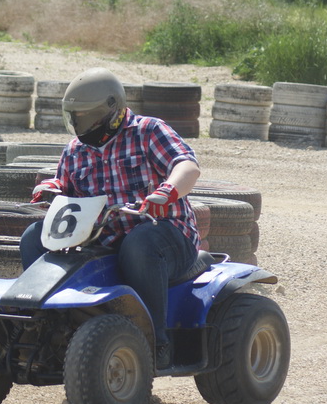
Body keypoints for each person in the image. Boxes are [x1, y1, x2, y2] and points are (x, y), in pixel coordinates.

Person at [19, 67, 201, 369]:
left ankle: (155, 343)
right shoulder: (75, 150)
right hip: (101, 238)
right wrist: (51, 188)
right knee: (33, 237)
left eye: (87, 117)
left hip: (164, 234)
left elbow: (187, 167)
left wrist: (167, 191)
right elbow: (66, 187)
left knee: (139, 243)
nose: (80, 124)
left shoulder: (148, 131)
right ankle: (47, 329)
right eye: (75, 117)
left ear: (112, 110)